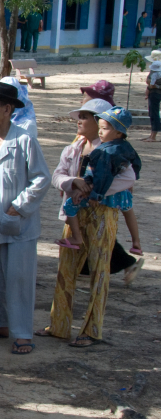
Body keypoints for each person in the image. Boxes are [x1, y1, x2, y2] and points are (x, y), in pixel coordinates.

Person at [40, 100, 137, 347]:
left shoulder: (116, 151)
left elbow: (128, 180)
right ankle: (59, 325)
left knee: (99, 272)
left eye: (85, 116)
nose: (79, 121)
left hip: (103, 215)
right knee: (66, 270)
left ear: (100, 122)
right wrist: (74, 182)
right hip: (74, 214)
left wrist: (94, 191)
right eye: (79, 116)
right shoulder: (73, 149)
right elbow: (57, 176)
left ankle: (92, 330)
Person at [0, 82, 51, 355]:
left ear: (7, 108)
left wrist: (18, 206)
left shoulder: (24, 139)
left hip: (19, 223)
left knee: (19, 279)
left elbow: (41, 178)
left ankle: (23, 333)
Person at [56, 107, 141, 250]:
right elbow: (136, 163)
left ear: (118, 132)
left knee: (70, 206)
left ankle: (76, 237)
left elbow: (101, 175)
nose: (100, 132)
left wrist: (93, 193)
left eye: (104, 128)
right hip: (120, 193)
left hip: (101, 198)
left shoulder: (105, 151)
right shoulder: (125, 147)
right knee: (128, 210)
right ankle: (136, 242)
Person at [145, 61, 161, 142]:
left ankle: (153, 136)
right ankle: (152, 135)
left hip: (155, 93)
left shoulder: (154, 74)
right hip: (157, 93)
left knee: (154, 114)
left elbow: (151, 84)